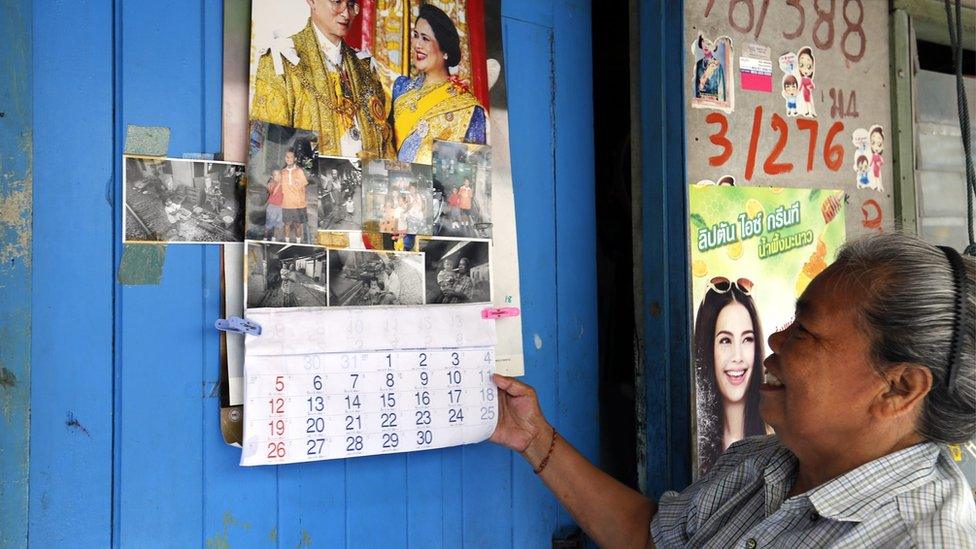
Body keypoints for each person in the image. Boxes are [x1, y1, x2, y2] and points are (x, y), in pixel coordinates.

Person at [490, 234, 975, 547]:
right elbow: (651, 539)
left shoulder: (921, 540)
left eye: (805, 330)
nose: (776, 341)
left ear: (899, 388)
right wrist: (533, 437)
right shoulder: (761, 463)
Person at [251, 0, 393, 158]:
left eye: (352, 5)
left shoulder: (365, 69)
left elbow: (385, 146)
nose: (346, 14)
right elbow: (267, 153)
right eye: (337, 2)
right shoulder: (281, 62)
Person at [391, 4, 487, 164]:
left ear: (445, 51)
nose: (417, 45)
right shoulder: (401, 88)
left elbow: (473, 169)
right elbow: (386, 147)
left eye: (425, 38)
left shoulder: (468, 108)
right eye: (415, 35)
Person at [694, 277, 766, 475]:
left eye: (747, 339)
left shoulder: (780, 440)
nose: (737, 356)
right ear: (708, 349)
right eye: (725, 340)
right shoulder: (692, 443)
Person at [280, 149, 310, 243]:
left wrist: (302, 202)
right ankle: (287, 242)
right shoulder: (282, 172)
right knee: (287, 225)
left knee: (298, 225)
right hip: (286, 204)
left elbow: (303, 187)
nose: (288, 159)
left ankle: (298, 242)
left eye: (291, 157)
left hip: (298, 205)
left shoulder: (299, 171)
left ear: (295, 159)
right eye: (287, 157)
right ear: (285, 159)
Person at [694, 35, 725, 101]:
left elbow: (721, 88)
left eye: (709, 43)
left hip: (714, 102)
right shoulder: (699, 64)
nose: (706, 45)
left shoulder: (717, 65)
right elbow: (697, 87)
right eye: (703, 41)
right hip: (701, 101)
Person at [264, 170, 285, 241]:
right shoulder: (271, 183)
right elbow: (272, 192)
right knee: (269, 224)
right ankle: (265, 238)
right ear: (272, 177)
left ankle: (274, 239)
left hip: (282, 207)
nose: (278, 176)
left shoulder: (284, 183)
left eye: (279, 175)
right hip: (272, 207)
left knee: (278, 225)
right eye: (276, 175)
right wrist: (279, 183)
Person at [798, 47, 817, 118]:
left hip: (808, 92)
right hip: (804, 92)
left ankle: (811, 112)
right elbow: (800, 85)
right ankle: (806, 112)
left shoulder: (809, 80)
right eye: (801, 65)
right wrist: (798, 90)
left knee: (809, 102)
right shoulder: (803, 79)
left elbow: (812, 86)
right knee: (806, 102)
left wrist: (810, 87)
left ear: (812, 69)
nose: (805, 70)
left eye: (808, 66)